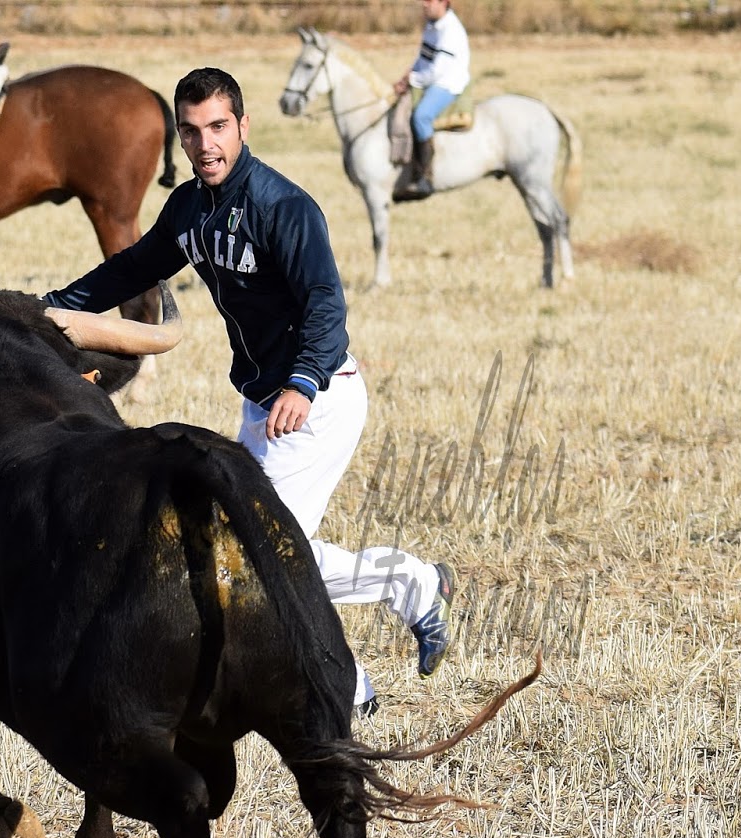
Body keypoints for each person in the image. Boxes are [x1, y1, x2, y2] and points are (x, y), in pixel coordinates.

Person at [43, 67, 453, 714]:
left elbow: (325, 304)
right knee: (254, 551)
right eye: (190, 131)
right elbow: (133, 268)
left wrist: (303, 383)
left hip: (316, 400)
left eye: (218, 127)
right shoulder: (189, 208)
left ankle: (357, 672)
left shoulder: (284, 207)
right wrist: (51, 311)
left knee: (263, 557)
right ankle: (409, 590)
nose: (205, 144)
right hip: (263, 403)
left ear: (242, 126)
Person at [392, 0, 471, 201]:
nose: (423, 4)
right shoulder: (431, 25)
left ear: (444, 3)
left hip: (447, 83)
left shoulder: (451, 31)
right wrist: (406, 76)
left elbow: (437, 71)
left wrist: (412, 80)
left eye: (429, 1)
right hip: (429, 79)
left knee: (421, 116)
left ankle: (425, 177)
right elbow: (423, 59)